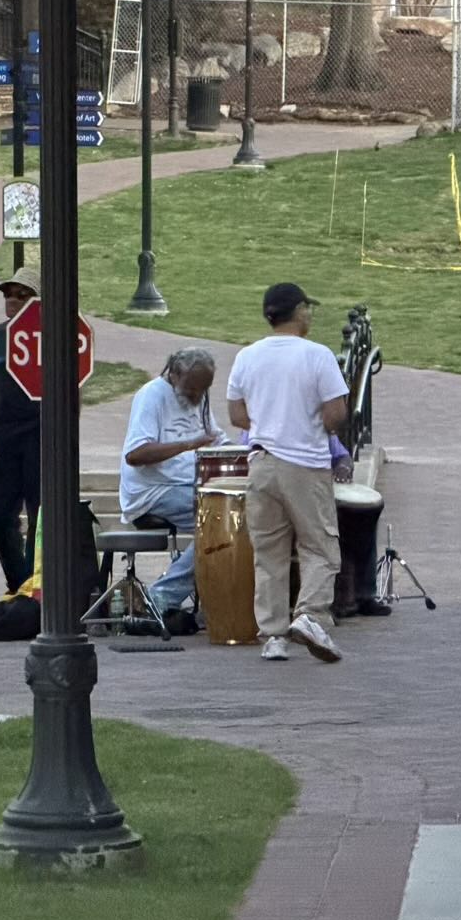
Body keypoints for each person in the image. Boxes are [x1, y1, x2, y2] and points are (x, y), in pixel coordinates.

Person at [226, 282, 348, 663]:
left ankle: (273, 635)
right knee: (320, 547)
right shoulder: (317, 355)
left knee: (269, 553)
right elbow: (336, 413)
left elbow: (236, 415)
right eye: (307, 309)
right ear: (298, 312)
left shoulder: (247, 356)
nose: (310, 315)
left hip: (261, 462)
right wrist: (316, 426)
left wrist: (268, 421)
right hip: (305, 464)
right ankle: (310, 614)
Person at [121, 346, 218, 623]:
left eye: (203, 391)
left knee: (241, 517)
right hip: (154, 491)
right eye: (191, 391)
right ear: (174, 374)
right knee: (217, 521)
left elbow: (216, 439)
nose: (197, 397)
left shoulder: (200, 398)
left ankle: (222, 600)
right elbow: (135, 454)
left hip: (190, 486)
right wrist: (188, 445)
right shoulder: (152, 396)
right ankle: (160, 598)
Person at [0, 267, 41, 594]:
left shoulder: (52, 334)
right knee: (1, 514)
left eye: (22, 294)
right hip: (3, 434)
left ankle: (39, 584)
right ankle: (18, 584)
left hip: (42, 432)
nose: (12, 300)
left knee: (41, 514)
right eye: (8, 294)